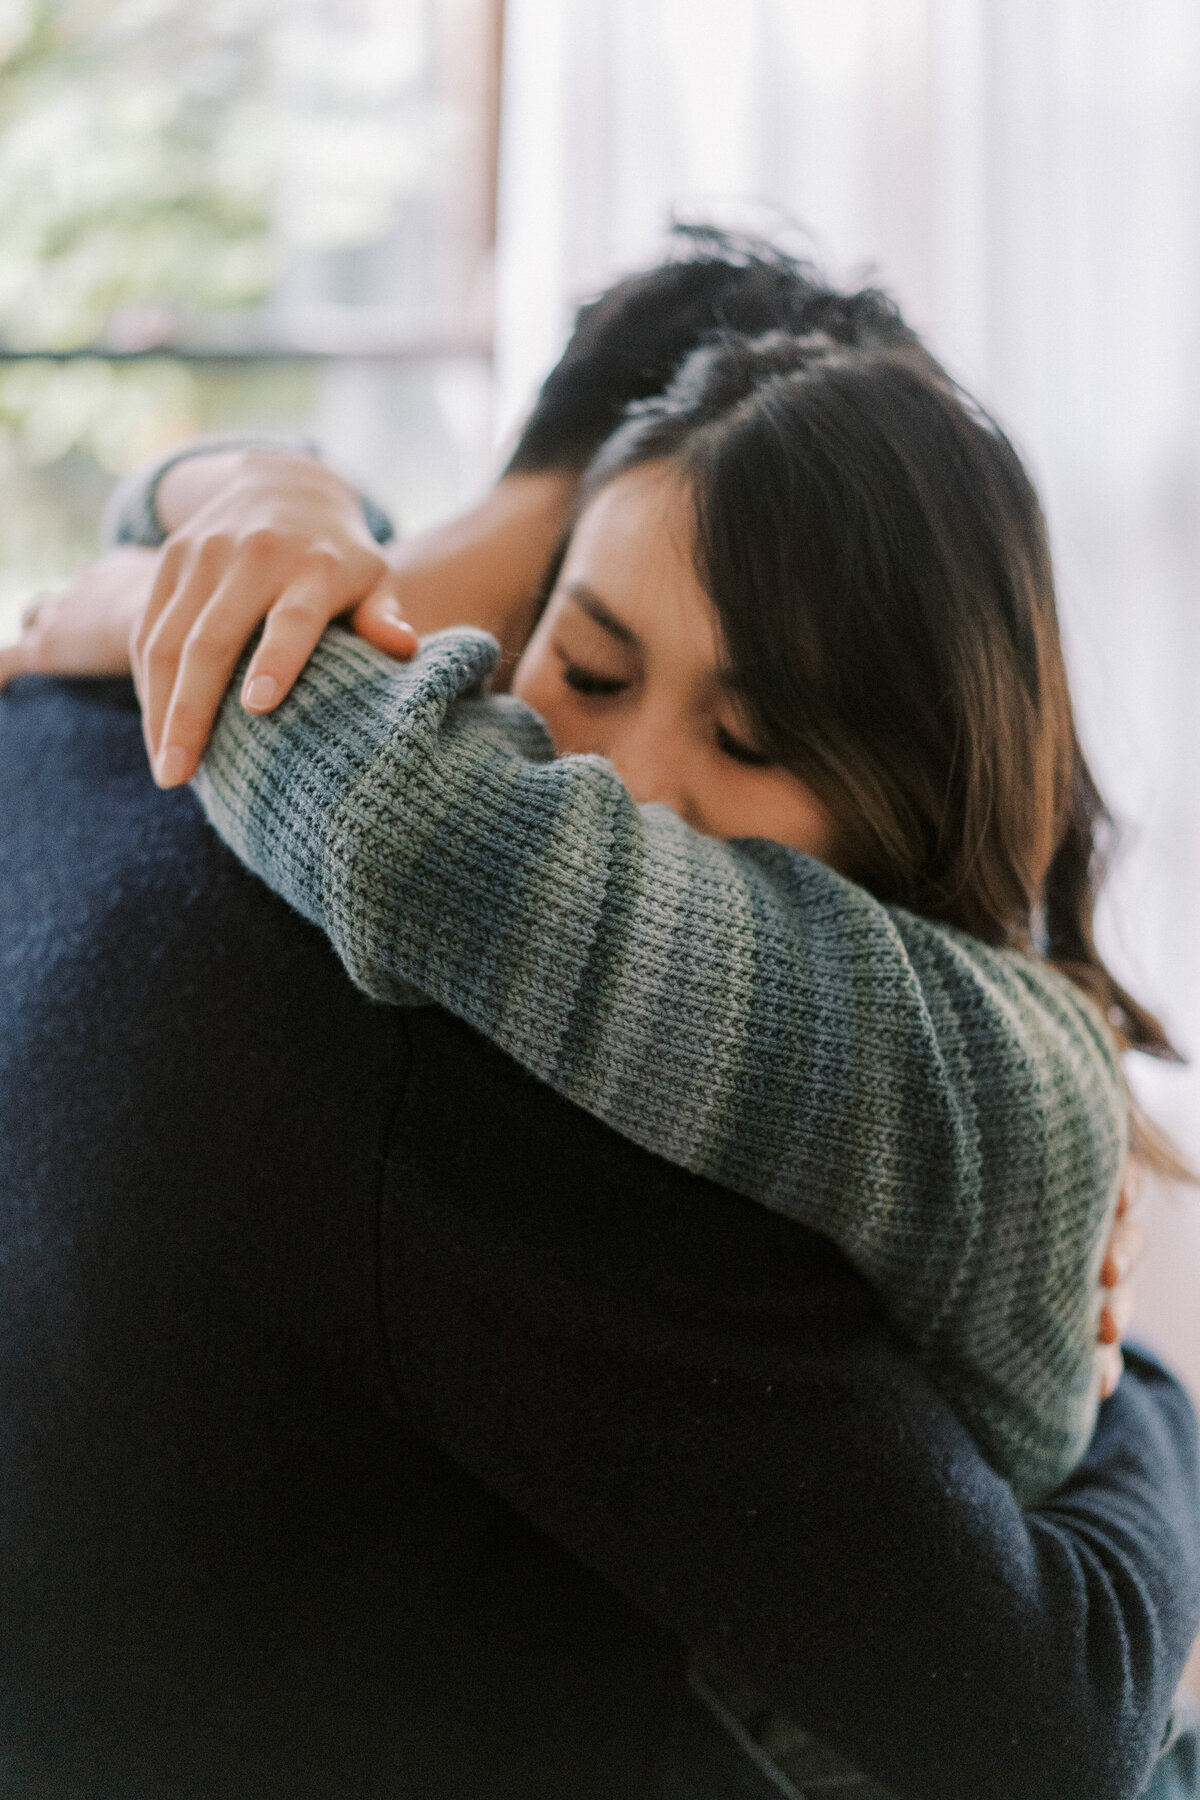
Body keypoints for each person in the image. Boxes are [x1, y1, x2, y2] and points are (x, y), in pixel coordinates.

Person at [2, 237, 1197, 1797]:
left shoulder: (55, 732)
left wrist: (210, 513)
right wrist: (1160, 1419)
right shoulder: (472, 1051)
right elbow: (1059, 1716)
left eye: (755, 731)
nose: (624, 795)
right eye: (589, 662)